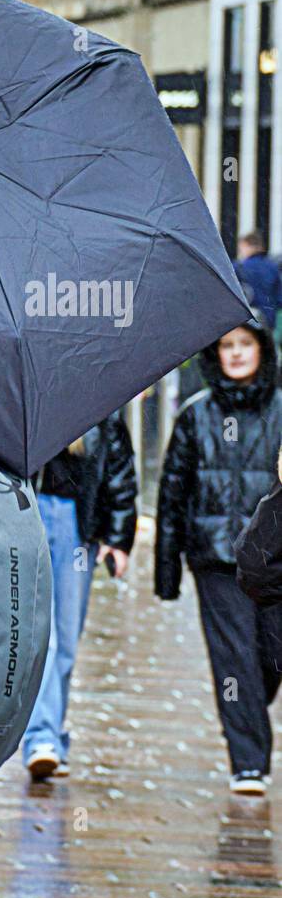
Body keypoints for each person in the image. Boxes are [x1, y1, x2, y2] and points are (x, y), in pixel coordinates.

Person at [156, 322, 282, 796]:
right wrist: (167, 572)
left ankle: (250, 716)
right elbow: (173, 493)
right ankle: (249, 763)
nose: (235, 354)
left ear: (261, 350)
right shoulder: (196, 415)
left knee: (267, 660)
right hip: (217, 559)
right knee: (235, 660)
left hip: (274, 559)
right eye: (226, 345)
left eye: (244, 344)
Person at [22, 414, 137, 779]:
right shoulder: (30, 396)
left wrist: (119, 539)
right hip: (30, 513)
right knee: (47, 638)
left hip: (77, 525)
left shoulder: (101, 403)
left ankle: (52, 732)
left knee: (67, 638)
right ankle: (41, 738)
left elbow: (120, 469)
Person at [235, 231, 281, 333]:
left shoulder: (240, 267)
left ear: (248, 246)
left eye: (241, 249)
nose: (240, 253)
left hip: (248, 319)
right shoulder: (272, 267)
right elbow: (279, 298)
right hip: (269, 319)